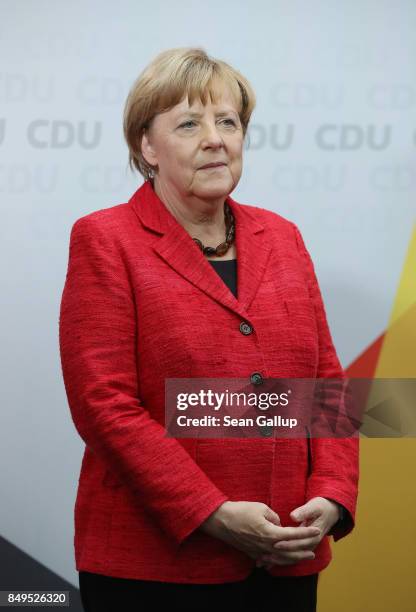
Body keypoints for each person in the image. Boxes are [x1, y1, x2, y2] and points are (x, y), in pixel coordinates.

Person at [59, 47, 359, 612]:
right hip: (155, 568)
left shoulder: (284, 237)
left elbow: (327, 382)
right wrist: (212, 512)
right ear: (146, 146)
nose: (216, 138)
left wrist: (334, 495)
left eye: (228, 121)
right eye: (189, 123)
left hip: (285, 556)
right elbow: (104, 404)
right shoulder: (106, 239)